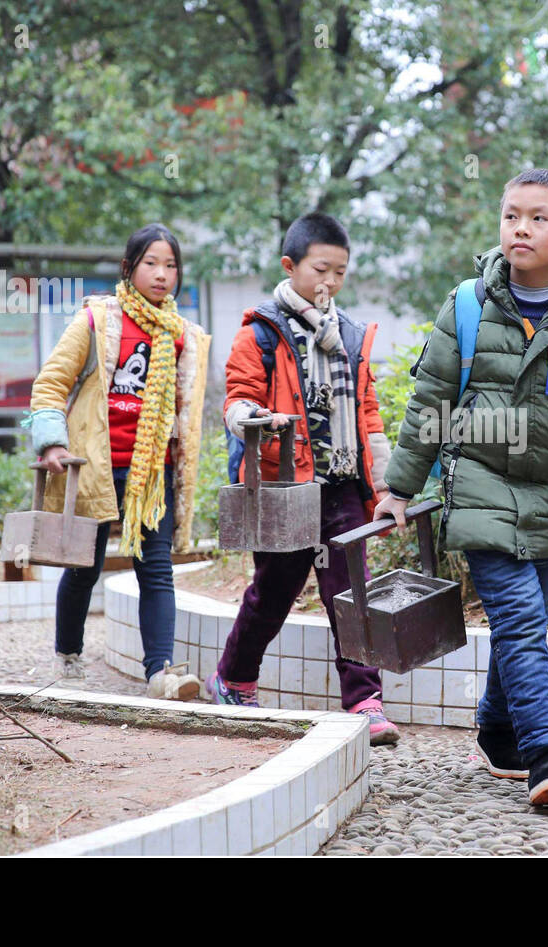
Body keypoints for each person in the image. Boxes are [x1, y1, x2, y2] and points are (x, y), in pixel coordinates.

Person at [375, 169, 548, 806]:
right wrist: (399, 489)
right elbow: (429, 401)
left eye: (539, 217)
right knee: (520, 621)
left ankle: (494, 731)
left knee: (529, 620)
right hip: (481, 489)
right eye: (512, 214)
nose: (522, 227)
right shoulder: (466, 304)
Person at [210, 212, 401, 745]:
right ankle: (232, 678)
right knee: (273, 591)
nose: (331, 282)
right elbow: (237, 396)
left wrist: (383, 488)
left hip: (342, 486)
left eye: (340, 272)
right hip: (283, 484)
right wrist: (253, 418)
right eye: (321, 269)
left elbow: (367, 414)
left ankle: (366, 700)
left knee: (352, 595)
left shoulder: (351, 333)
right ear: (290, 266)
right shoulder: (261, 332)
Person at [27, 223, 210, 701]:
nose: (162, 274)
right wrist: (51, 444)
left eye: (170, 265)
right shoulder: (97, 321)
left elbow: (183, 411)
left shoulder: (182, 336)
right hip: (94, 466)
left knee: (156, 568)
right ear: (129, 268)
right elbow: (49, 384)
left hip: (152, 473)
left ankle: (160, 673)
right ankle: (68, 652)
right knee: (85, 566)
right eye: (151, 263)